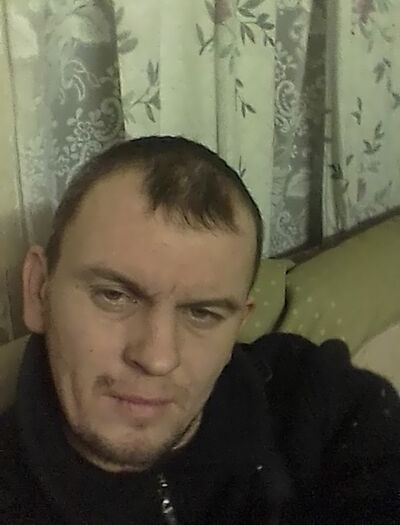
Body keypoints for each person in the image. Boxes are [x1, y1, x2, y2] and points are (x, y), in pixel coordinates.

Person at [0, 136, 399, 525]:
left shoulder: (316, 399)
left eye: (202, 313)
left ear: (239, 323)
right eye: (114, 296)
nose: (158, 359)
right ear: (38, 291)